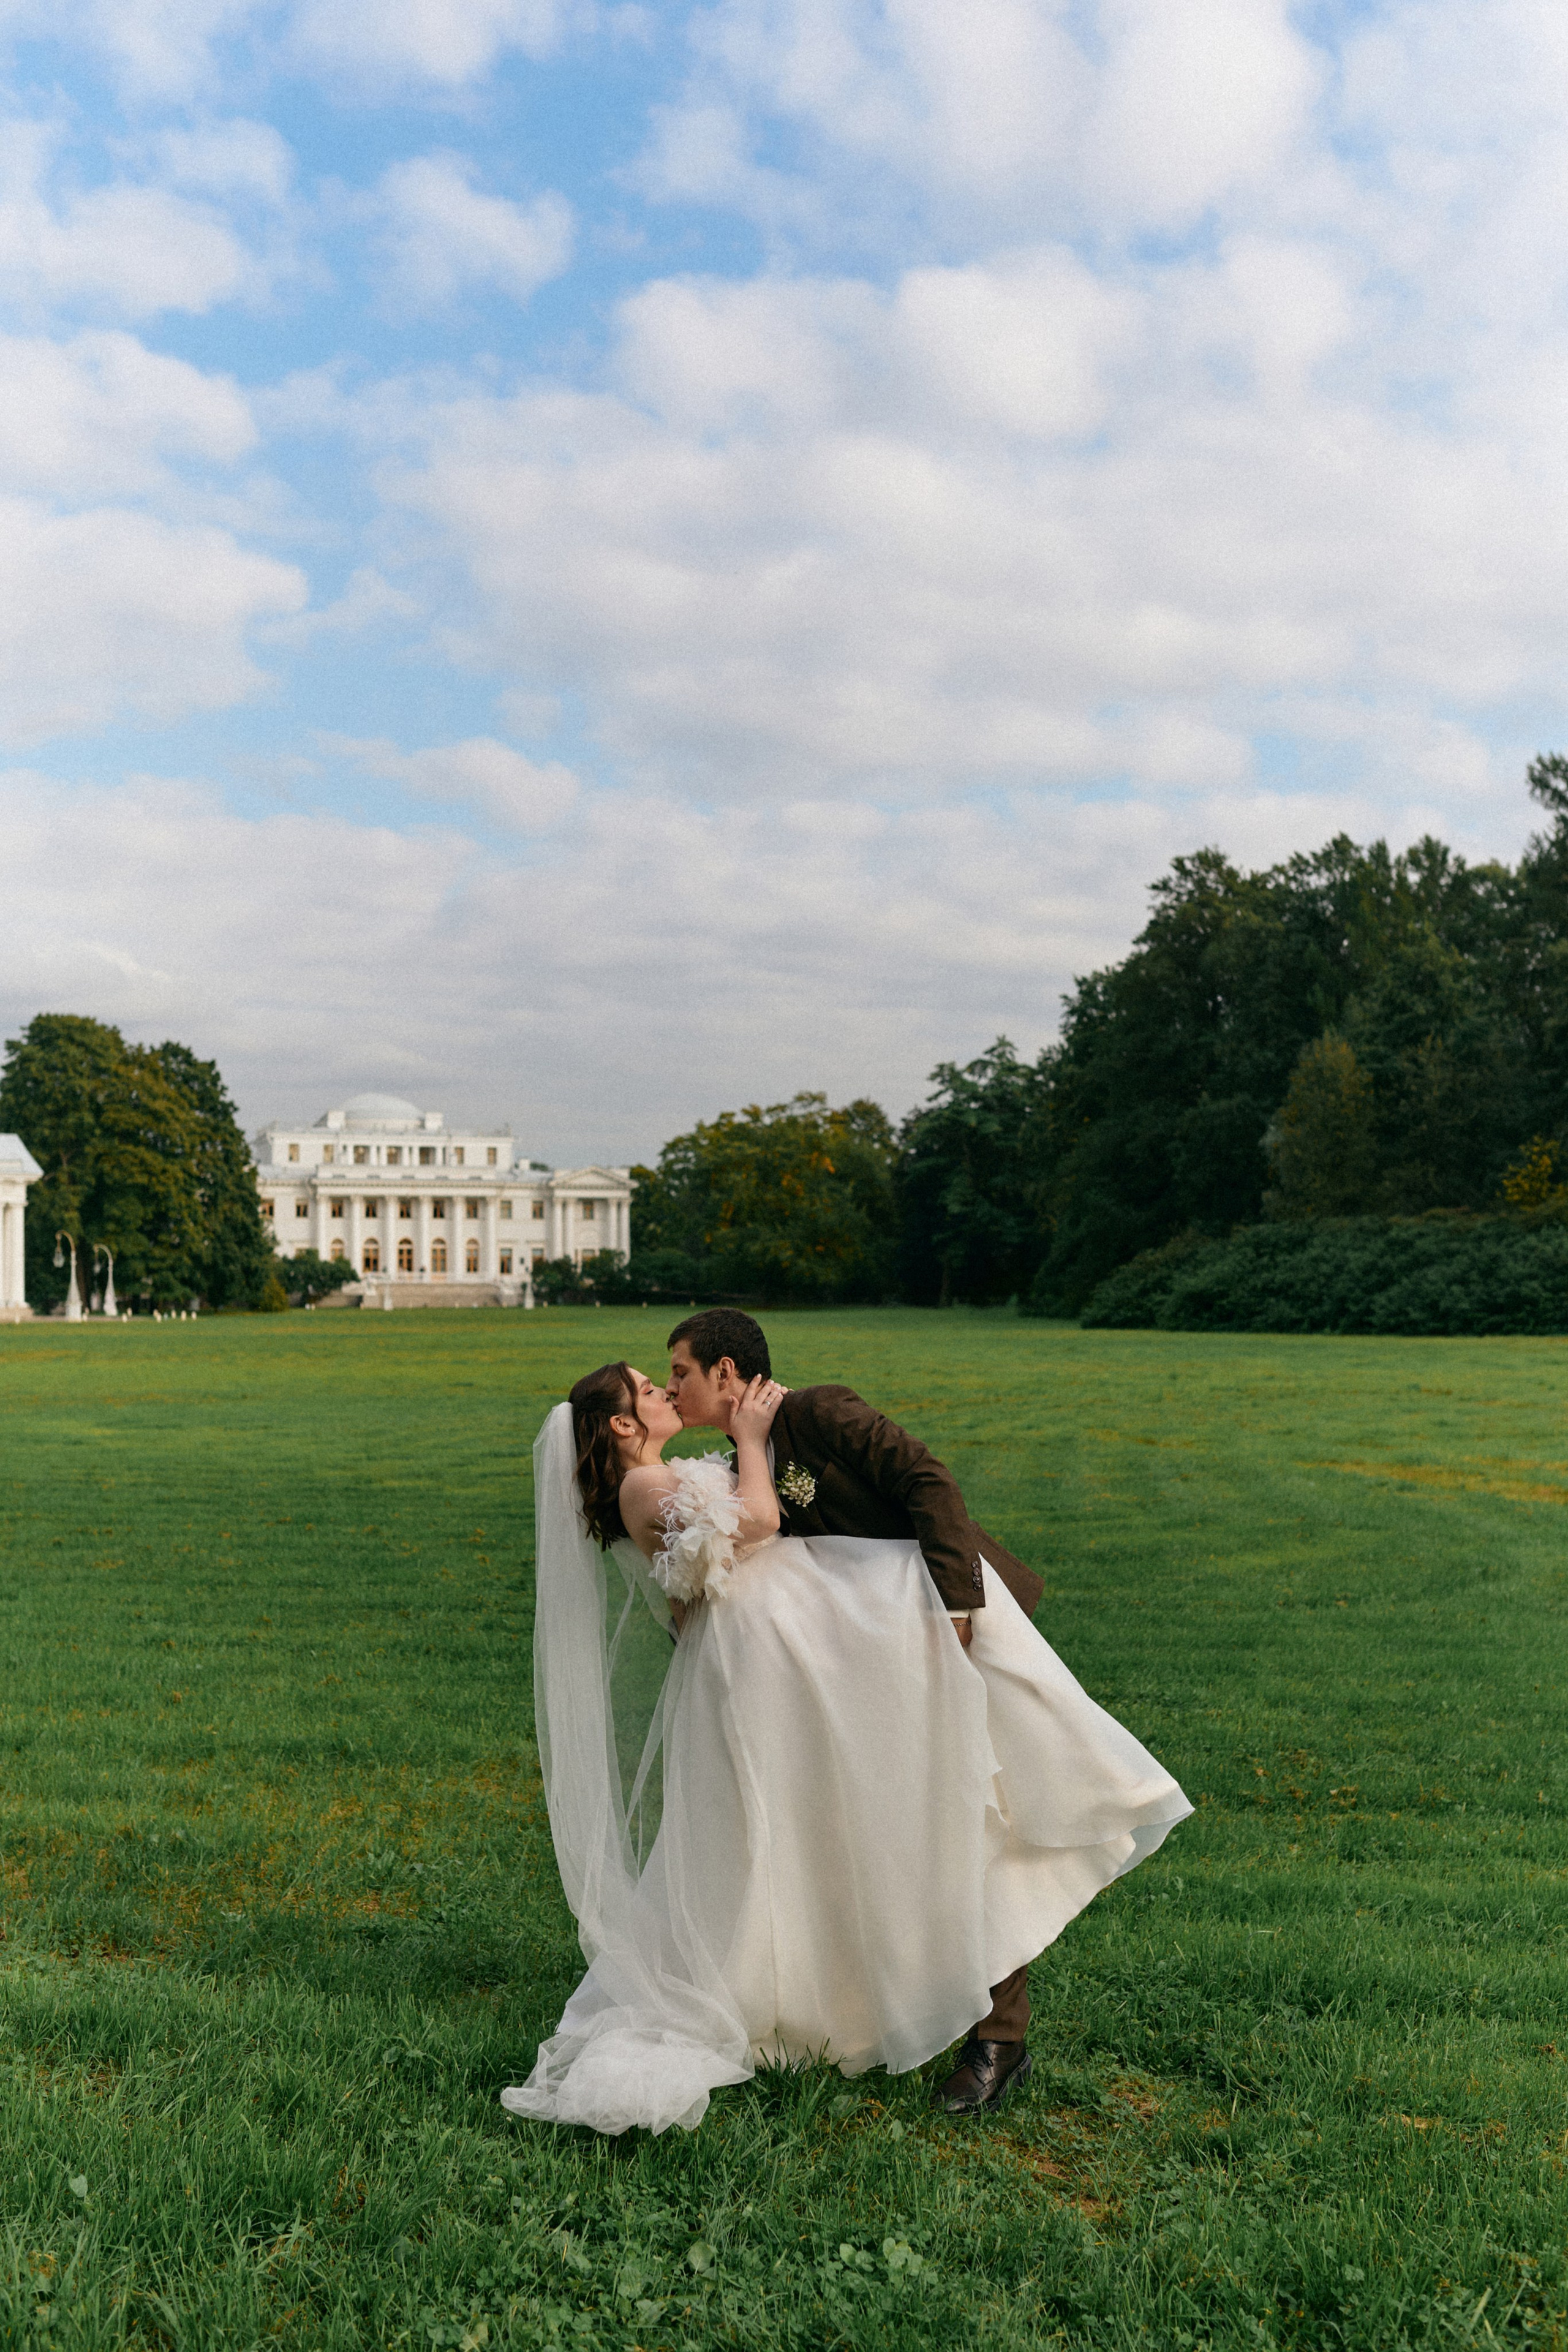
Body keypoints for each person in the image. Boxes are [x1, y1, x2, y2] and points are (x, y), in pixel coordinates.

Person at [502, 1341, 1191, 2138]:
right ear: (624, 1423)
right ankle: (867, 2004)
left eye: (676, 1375)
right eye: (652, 1388)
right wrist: (756, 1452)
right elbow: (753, 1528)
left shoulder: (804, 1418)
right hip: (798, 1672)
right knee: (852, 1835)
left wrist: (955, 1603)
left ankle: (982, 2024)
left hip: (855, 1645)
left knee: (946, 1806)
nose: (668, 1390)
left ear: (725, 1372)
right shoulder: (657, 1481)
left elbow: (913, 1485)